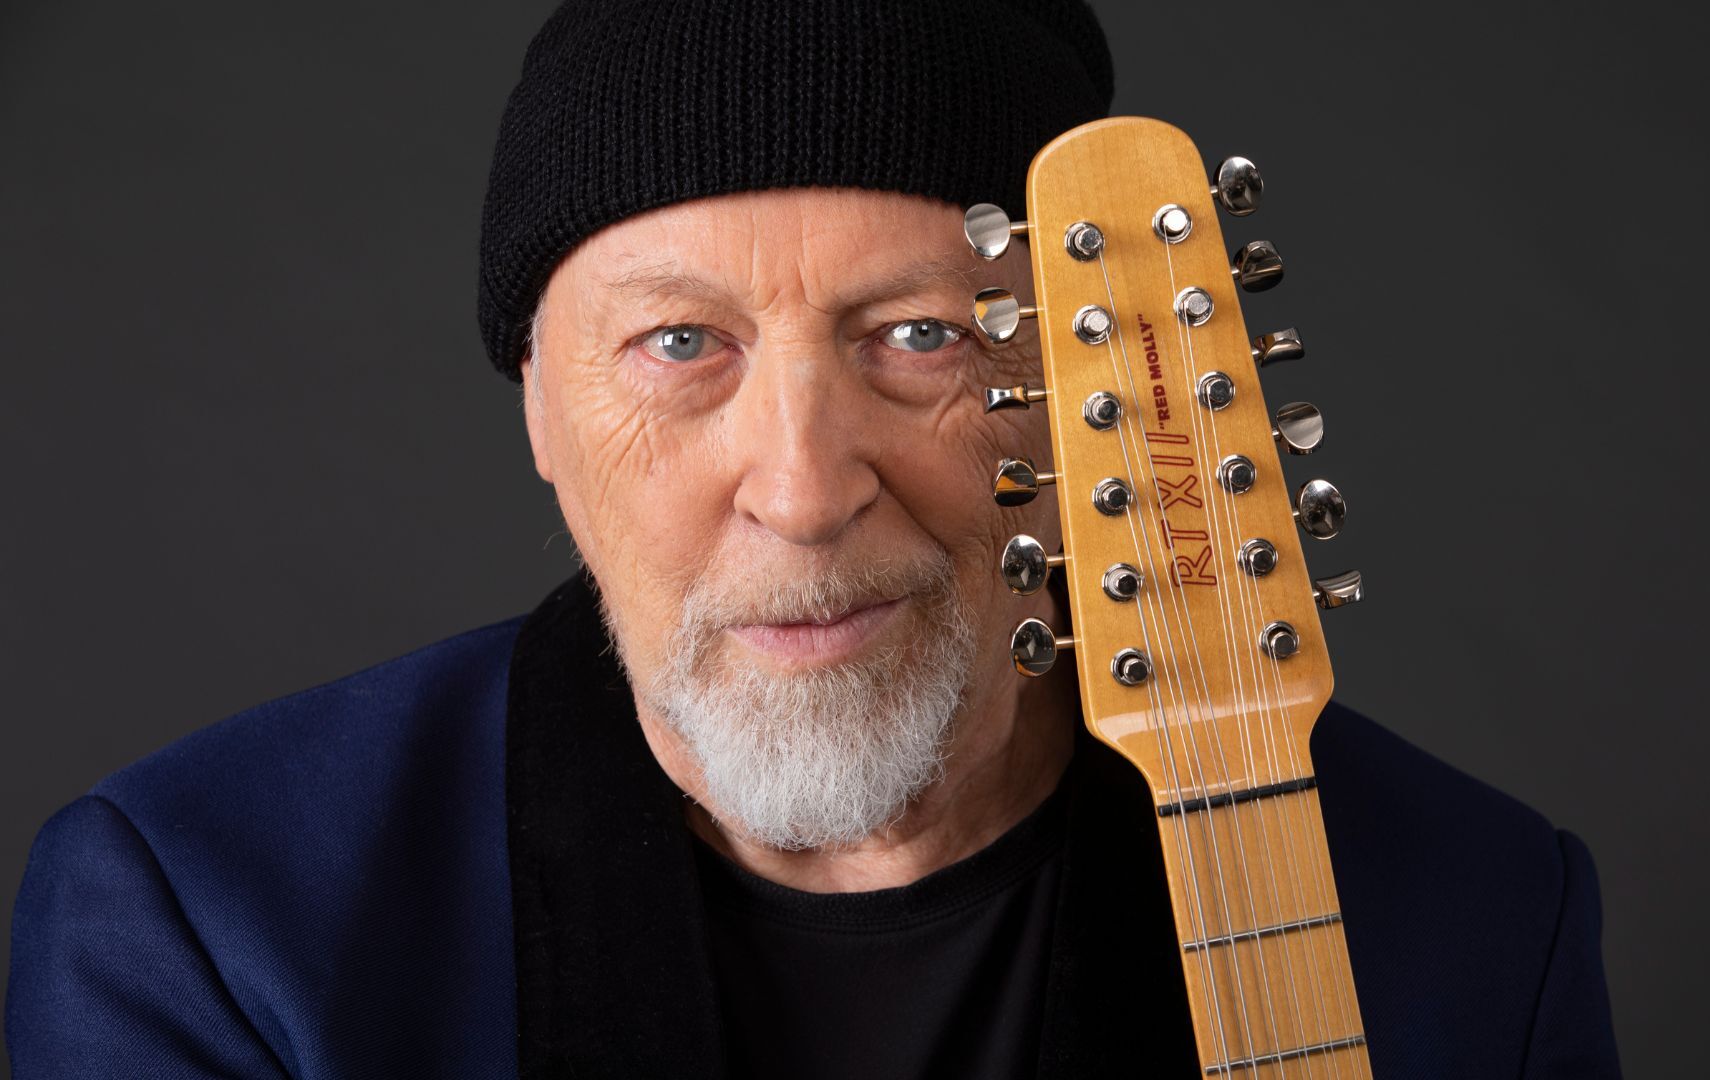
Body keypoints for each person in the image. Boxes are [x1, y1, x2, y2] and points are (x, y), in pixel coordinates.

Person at [5, 1, 1621, 1076]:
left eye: (922, 336)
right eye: (678, 345)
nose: (800, 486)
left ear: (1086, 397)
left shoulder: (1477, 922)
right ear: (540, 413)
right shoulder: (214, 929)